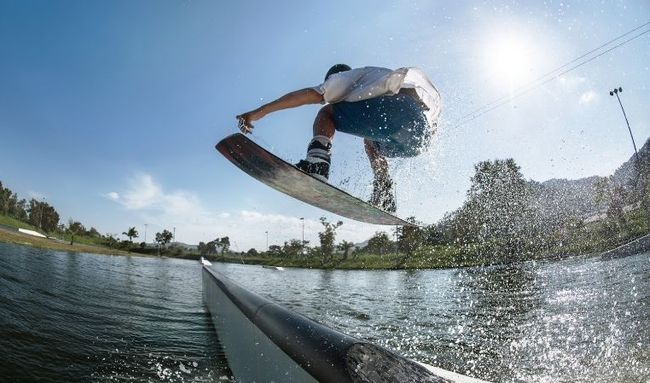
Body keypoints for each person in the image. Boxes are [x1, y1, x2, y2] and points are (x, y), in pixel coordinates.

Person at [236, 64, 441, 213]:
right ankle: (384, 192)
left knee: (327, 112)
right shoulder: (373, 82)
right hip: (417, 138)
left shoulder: (343, 77)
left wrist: (260, 112)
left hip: (398, 112)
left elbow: (310, 94)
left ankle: (317, 166)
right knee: (371, 142)